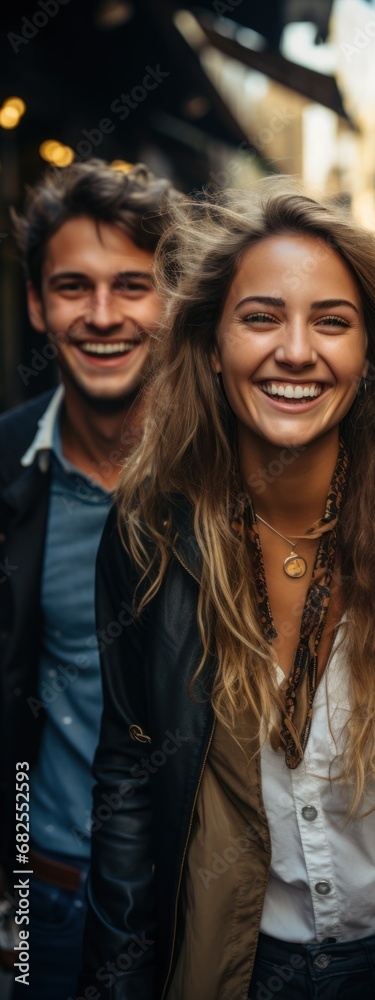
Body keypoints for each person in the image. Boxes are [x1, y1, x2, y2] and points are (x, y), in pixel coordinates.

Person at [77, 182, 375, 1000]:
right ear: (211, 341)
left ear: (372, 351)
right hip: (230, 965)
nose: (295, 351)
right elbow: (127, 778)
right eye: (261, 317)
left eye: (331, 322)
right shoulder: (152, 530)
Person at [0, 158, 182, 999]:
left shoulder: (238, 475)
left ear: (172, 303)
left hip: (204, 899)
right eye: (73, 287)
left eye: (131, 286)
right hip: (46, 895)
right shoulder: (9, 468)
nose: (102, 315)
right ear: (38, 306)